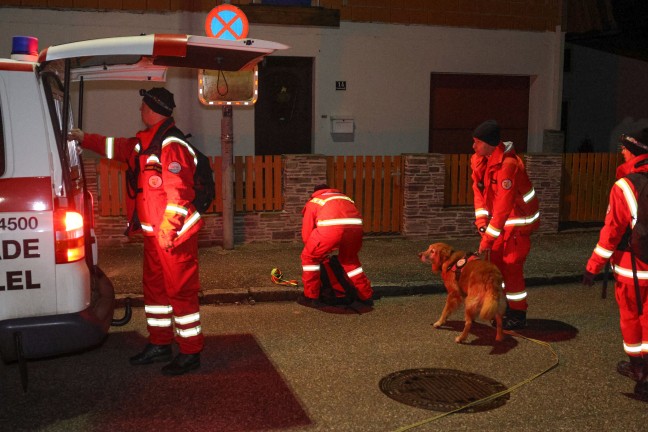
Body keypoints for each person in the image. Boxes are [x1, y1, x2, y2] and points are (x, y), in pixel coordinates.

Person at [69, 87, 204, 376]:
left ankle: (191, 352)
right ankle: (160, 344)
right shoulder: (147, 142)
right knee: (154, 290)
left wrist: (168, 229)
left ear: (153, 108)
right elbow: (116, 148)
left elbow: (179, 194)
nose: (140, 110)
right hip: (156, 236)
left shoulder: (171, 145)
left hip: (173, 236)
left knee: (181, 292)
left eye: (143, 106)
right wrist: (84, 138)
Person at [583, 129, 648, 400]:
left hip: (633, 266)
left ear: (634, 151)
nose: (621, 152)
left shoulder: (624, 186)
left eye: (624, 148)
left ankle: (639, 370)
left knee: (632, 319)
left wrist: (593, 266)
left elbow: (611, 233)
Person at [470, 120, 540, 330]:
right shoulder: (480, 161)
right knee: (498, 268)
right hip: (500, 226)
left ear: (489, 144)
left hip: (518, 226)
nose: (473, 147)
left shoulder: (509, 165)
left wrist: (487, 239)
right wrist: (482, 223)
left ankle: (518, 314)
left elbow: (503, 205)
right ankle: (503, 308)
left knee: (511, 270)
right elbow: (479, 194)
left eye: (477, 142)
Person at [299, 184, 373, 307]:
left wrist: (314, 249)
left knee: (309, 258)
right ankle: (366, 296)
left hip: (330, 232)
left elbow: (307, 232)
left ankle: (311, 297)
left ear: (315, 192)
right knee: (350, 261)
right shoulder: (345, 198)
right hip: (355, 232)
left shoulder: (315, 201)